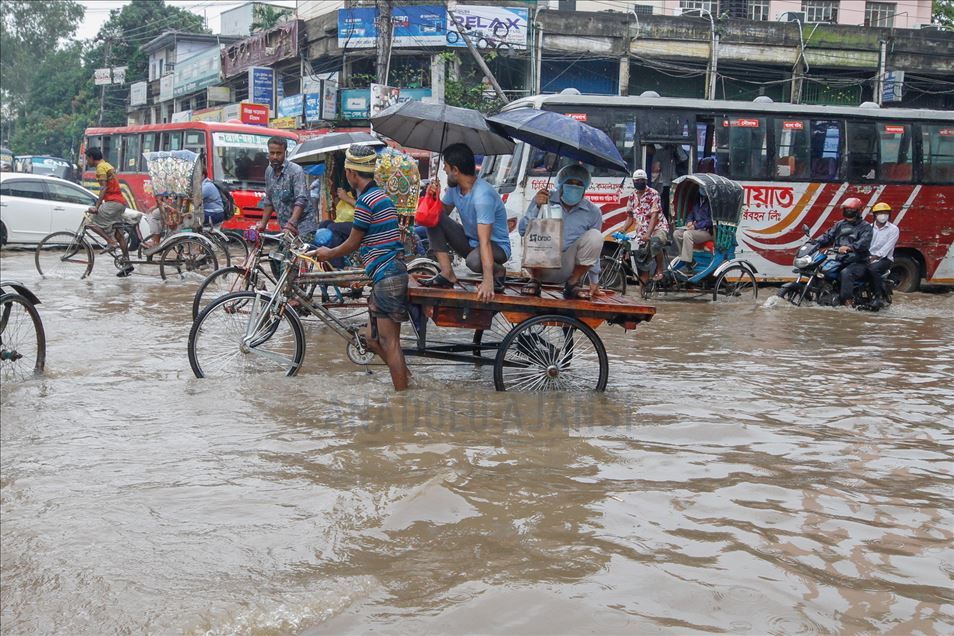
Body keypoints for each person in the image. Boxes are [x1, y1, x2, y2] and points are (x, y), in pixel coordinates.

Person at [311, 144, 410, 391]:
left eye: (347, 170)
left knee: (389, 343)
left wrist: (328, 253)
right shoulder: (379, 197)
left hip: (387, 275)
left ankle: (403, 397)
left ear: (352, 173)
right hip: (383, 274)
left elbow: (353, 242)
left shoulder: (367, 201)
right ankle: (406, 380)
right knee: (371, 340)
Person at [420, 143, 511, 302]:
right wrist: (433, 197)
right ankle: (447, 273)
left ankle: (498, 272)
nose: (443, 170)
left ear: (455, 170)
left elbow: (485, 242)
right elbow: (442, 214)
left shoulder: (482, 196)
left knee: (473, 261)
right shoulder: (455, 188)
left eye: (446, 166)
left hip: (495, 247)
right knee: (432, 218)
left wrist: (488, 281)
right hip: (472, 243)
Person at [517, 164, 603, 299]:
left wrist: (594, 281)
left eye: (579, 183)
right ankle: (535, 280)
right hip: (542, 265)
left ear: (585, 187)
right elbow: (522, 230)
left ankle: (573, 284)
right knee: (540, 230)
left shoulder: (593, 212)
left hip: (568, 268)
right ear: (561, 184)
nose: (574, 186)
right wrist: (537, 207)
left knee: (596, 236)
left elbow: (595, 250)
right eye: (570, 182)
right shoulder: (544, 198)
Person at [255, 137, 317, 241]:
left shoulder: (296, 171)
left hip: (303, 226)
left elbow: (301, 200)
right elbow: (269, 200)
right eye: (272, 153)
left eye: (279, 153)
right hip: (284, 227)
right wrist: (263, 224)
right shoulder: (269, 171)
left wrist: (291, 223)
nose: (275, 157)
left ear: (285, 153)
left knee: (298, 255)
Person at [813, 197, 873, 306]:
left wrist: (849, 247)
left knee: (846, 273)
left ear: (859, 211)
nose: (848, 212)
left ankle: (847, 302)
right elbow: (828, 236)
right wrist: (814, 242)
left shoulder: (866, 227)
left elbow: (864, 243)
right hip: (841, 260)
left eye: (851, 210)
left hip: (859, 262)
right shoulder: (840, 224)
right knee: (824, 270)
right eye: (847, 210)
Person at [84, 147, 133, 277]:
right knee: (119, 235)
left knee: (89, 222)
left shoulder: (100, 168)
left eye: (87, 158)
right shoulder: (107, 165)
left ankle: (110, 242)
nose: (86, 161)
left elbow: (104, 187)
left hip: (113, 203)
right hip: (120, 203)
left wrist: (97, 206)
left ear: (91, 157)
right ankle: (127, 264)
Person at [621, 168, 669, 285]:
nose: (639, 183)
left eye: (642, 180)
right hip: (641, 230)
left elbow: (654, 216)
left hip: (658, 228)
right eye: (637, 181)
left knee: (655, 242)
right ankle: (643, 275)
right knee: (631, 248)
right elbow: (630, 217)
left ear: (646, 181)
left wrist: (648, 234)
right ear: (633, 181)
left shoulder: (654, 194)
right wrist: (622, 230)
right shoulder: (632, 196)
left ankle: (659, 269)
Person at [672, 189, 713, 273]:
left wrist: (696, 225)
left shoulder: (711, 203)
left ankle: (688, 261)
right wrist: (689, 221)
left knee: (687, 234)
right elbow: (691, 214)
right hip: (696, 230)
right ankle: (683, 256)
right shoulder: (697, 201)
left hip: (708, 231)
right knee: (676, 233)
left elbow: (710, 221)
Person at [867, 201, 899, 302]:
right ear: (875, 215)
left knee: (873, 269)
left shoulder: (893, 229)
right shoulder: (868, 228)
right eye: (880, 213)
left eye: (886, 213)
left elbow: (887, 247)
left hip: (884, 259)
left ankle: (878, 296)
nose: (883, 216)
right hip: (867, 257)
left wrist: (875, 257)